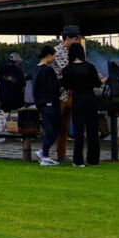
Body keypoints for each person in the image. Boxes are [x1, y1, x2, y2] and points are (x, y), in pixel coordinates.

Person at [61, 41, 104, 167]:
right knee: (93, 130)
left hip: (77, 98)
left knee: (79, 131)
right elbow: (97, 83)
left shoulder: (67, 69)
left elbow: (65, 85)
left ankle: (78, 160)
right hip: (90, 98)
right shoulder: (90, 67)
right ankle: (93, 159)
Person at [52, 25, 83, 162]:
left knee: (64, 127)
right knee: (55, 126)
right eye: (76, 39)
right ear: (68, 38)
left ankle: (61, 155)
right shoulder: (58, 51)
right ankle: (45, 152)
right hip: (58, 94)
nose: (78, 42)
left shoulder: (71, 52)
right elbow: (68, 70)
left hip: (68, 94)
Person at [32, 46, 62, 165]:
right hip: (50, 102)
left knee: (49, 128)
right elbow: (53, 87)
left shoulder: (36, 69)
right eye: (54, 56)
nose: (54, 58)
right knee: (54, 128)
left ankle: (44, 152)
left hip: (40, 102)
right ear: (49, 55)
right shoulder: (48, 70)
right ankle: (44, 154)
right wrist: (61, 82)